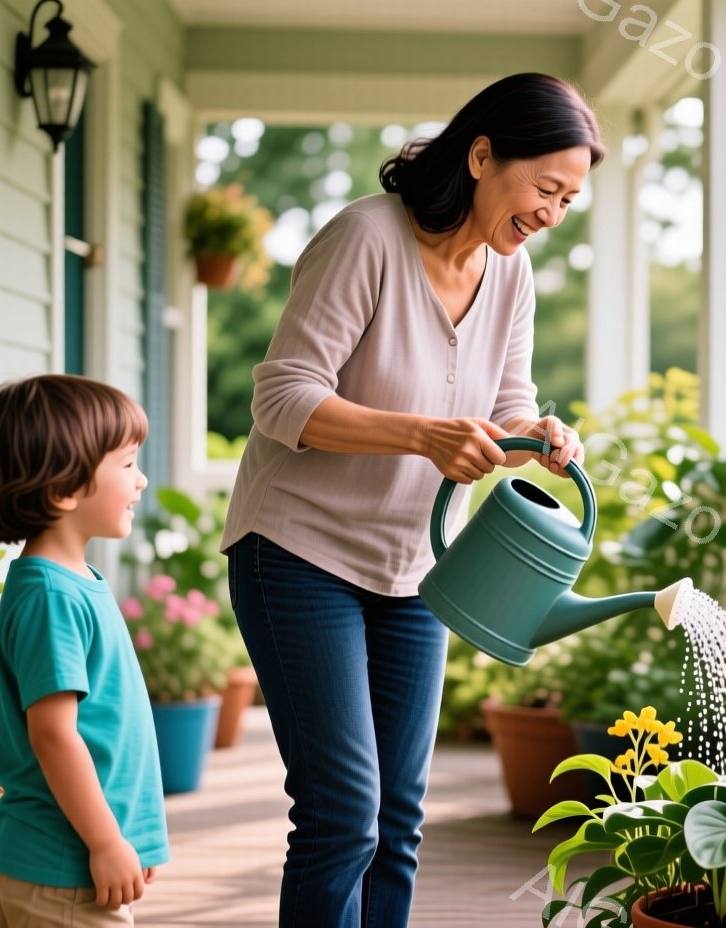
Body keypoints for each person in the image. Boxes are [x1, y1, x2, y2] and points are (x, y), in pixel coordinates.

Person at [218, 72, 601, 927]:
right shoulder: (365, 238)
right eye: (545, 189)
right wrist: (424, 434)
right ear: (480, 155)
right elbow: (282, 399)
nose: (551, 213)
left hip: (418, 571)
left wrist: (535, 435)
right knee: (342, 815)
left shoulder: (511, 273)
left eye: (569, 200)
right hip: (298, 554)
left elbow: (503, 403)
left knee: (397, 822)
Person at [0, 374, 168, 927]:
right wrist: (104, 842)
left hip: (72, 866)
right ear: (62, 491)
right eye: (126, 464)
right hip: (63, 867)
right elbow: (53, 733)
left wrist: (127, 839)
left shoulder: (73, 581)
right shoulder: (52, 596)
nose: (140, 481)